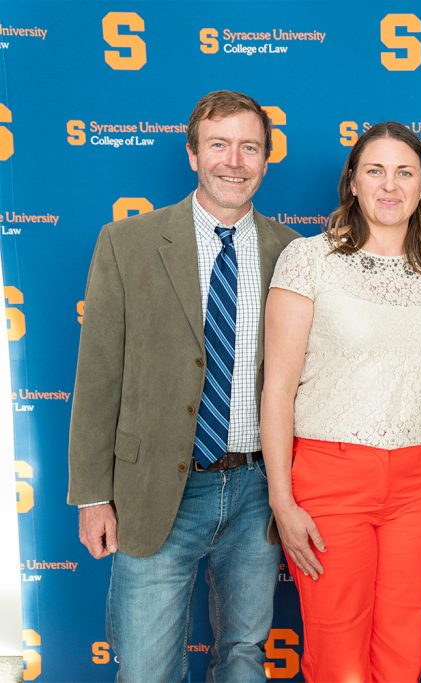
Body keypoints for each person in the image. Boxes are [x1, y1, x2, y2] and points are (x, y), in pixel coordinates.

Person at [67, 90, 299, 680]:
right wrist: (93, 495)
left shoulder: (293, 253)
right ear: (192, 154)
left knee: (245, 656)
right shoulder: (128, 244)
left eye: (250, 147)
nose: (234, 161)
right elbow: (98, 377)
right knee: (146, 667)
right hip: (155, 490)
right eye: (218, 145)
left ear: (267, 159)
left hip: (256, 491)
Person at [261, 121, 421, 682]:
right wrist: (281, 500)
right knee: (337, 654)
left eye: (403, 172)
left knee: (402, 649)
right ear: (353, 182)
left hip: (419, 479)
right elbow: (278, 388)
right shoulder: (308, 259)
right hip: (330, 476)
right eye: (374, 170)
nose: (389, 185)